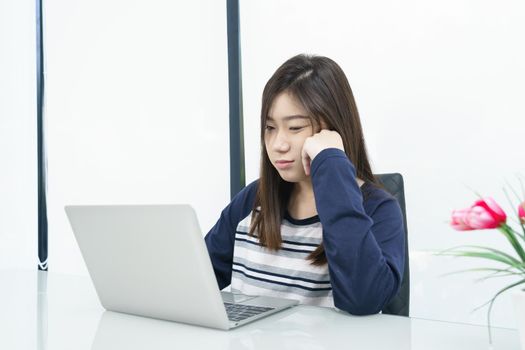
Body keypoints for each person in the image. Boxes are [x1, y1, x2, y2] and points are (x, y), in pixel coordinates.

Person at [204, 54, 405, 315]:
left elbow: (363, 299)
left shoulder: (378, 209)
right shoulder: (254, 198)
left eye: (295, 127)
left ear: (333, 132)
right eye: (270, 127)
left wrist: (331, 162)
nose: (278, 144)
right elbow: (195, 282)